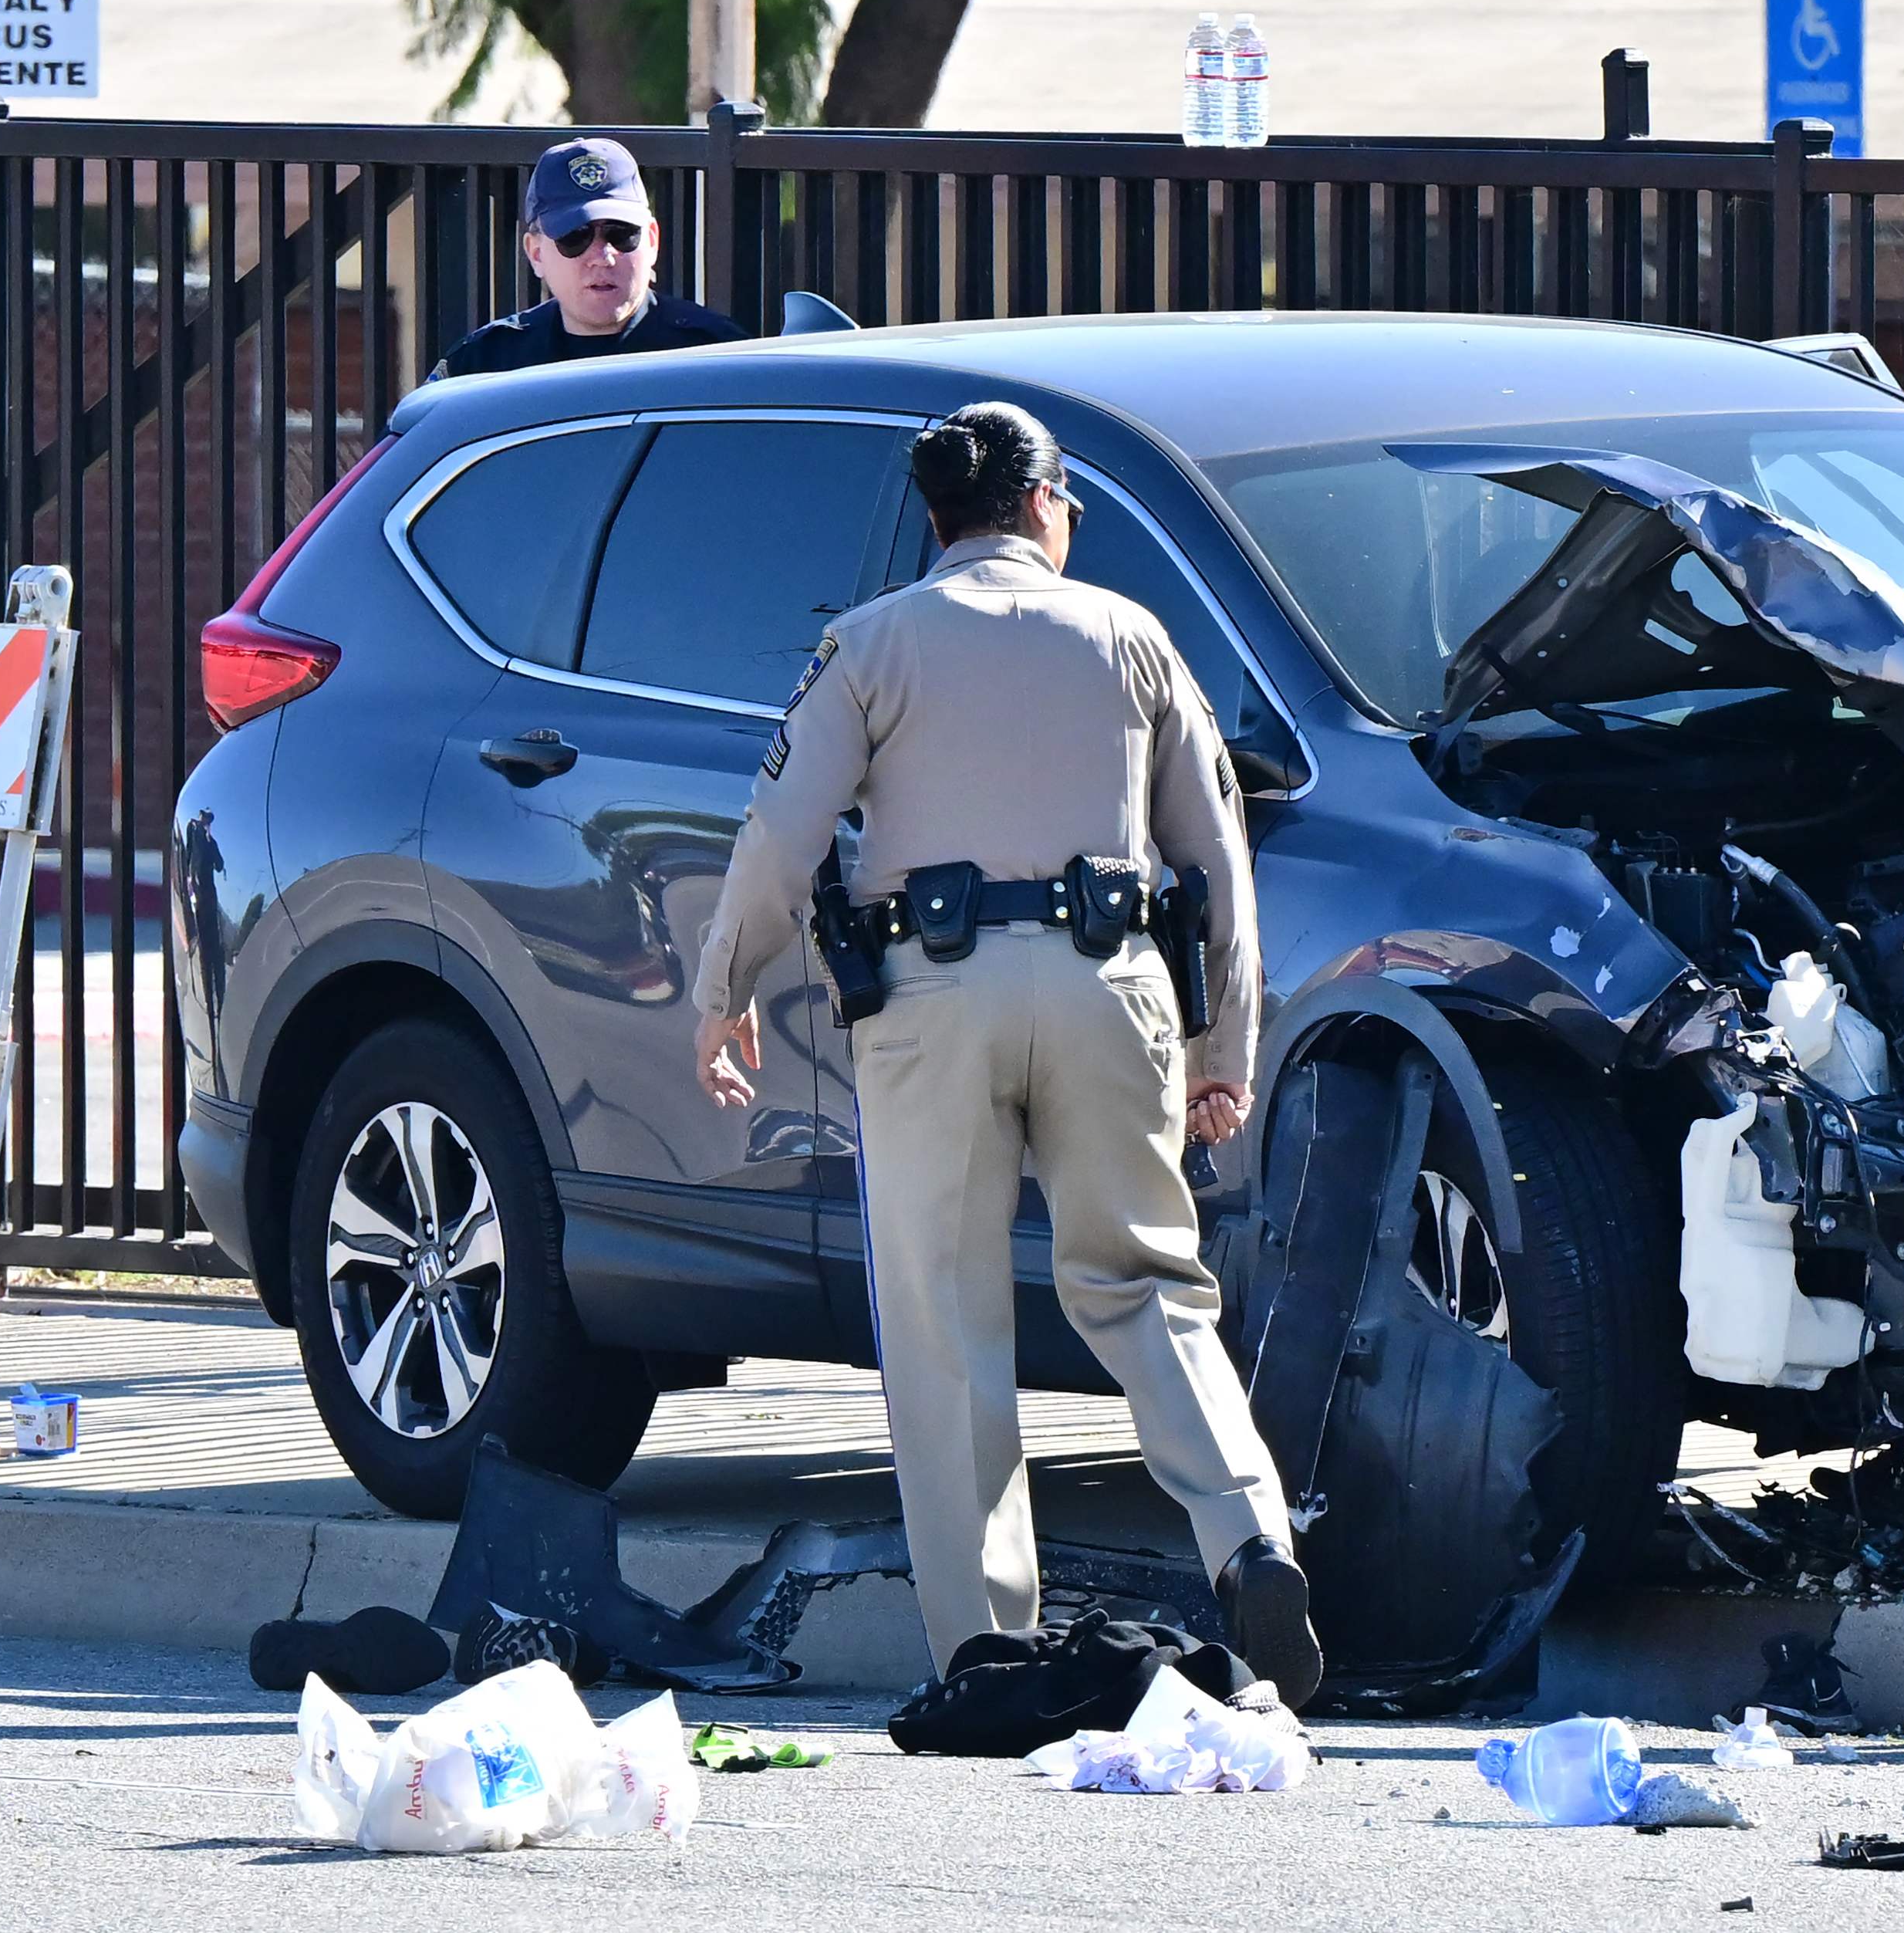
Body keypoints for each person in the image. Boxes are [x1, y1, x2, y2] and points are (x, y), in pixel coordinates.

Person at [686, 400, 1319, 1703]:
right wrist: (1222, 1044)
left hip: (934, 1002)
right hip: (1112, 990)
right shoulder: (1134, 637)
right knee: (1146, 1288)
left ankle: (984, 1642)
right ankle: (1250, 1534)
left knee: (943, 1319)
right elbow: (1217, 861)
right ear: (1044, 506)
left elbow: (780, 836)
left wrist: (725, 987)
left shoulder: (866, 645)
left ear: (936, 518)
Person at [428, 137, 743, 377]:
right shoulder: (489, 365)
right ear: (536, 254)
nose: (603, 256)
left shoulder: (714, 356)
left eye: (621, 234)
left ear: (651, 241)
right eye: (574, 237)